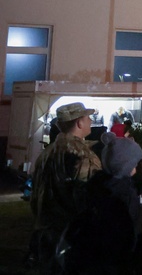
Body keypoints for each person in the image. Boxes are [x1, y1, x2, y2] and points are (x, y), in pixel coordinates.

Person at [30, 102, 103, 275]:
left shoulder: (46, 153)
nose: (91, 121)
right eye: (88, 118)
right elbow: (89, 193)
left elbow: (36, 190)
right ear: (79, 123)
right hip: (70, 233)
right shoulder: (82, 154)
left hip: (45, 229)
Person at [61, 133, 142, 275]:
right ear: (127, 165)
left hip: (92, 260)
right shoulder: (126, 193)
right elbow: (134, 232)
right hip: (118, 260)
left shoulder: (95, 186)